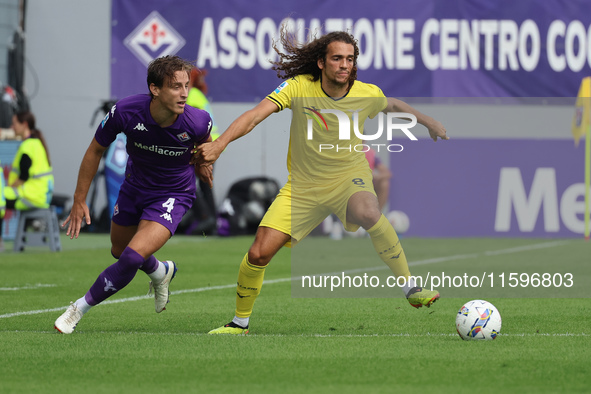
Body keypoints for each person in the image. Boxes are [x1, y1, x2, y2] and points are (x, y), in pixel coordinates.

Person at [194, 27, 449, 335]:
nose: (345, 65)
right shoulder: (299, 87)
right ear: (321, 62)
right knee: (259, 253)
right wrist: (220, 144)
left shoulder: (365, 93)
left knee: (369, 213)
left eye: (350, 59)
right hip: (303, 187)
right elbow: (254, 115)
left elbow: (392, 104)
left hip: (348, 179)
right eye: (337, 58)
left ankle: (411, 288)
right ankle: (239, 323)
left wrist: (428, 121)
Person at [54, 55, 213, 334]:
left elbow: (206, 148)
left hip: (173, 195)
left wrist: (203, 165)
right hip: (134, 188)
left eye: (186, 85)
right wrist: (79, 199)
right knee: (119, 250)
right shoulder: (126, 111)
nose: (185, 93)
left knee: (130, 257)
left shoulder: (198, 121)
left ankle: (78, 309)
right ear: (155, 89)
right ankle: (160, 271)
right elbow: (95, 150)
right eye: (176, 87)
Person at [0, 111, 54, 250]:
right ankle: (20, 242)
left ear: (24, 125)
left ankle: (0, 241)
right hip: (41, 195)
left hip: (30, 195)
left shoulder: (27, 146)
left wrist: (11, 186)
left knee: (0, 197)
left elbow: (23, 176)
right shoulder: (36, 143)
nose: (12, 127)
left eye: (14, 124)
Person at [365, 147, 392, 212]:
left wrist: (375, 176)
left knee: (384, 183)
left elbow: (387, 173)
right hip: (354, 182)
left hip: (368, 183)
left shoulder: (370, 152)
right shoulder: (348, 151)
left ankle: (377, 214)